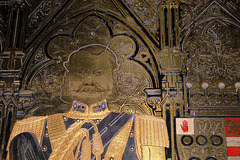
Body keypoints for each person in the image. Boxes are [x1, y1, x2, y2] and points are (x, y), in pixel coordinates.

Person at [7, 45, 169, 160]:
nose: (89, 81)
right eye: (81, 72)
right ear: (67, 78)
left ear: (114, 79)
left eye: (99, 72)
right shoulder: (31, 128)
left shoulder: (146, 126)